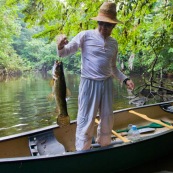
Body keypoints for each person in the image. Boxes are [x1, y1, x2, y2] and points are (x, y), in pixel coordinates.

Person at [56, 2, 135, 151]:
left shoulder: (113, 43)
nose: (103, 28)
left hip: (106, 84)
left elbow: (113, 68)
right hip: (88, 84)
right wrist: (60, 46)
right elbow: (65, 52)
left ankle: (104, 146)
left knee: (107, 119)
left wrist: (125, 79)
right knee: (85, 119)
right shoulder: (85, 36)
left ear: (114, 26)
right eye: (101, 23)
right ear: (97, 22)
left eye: (108, 25)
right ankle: (82, 150)